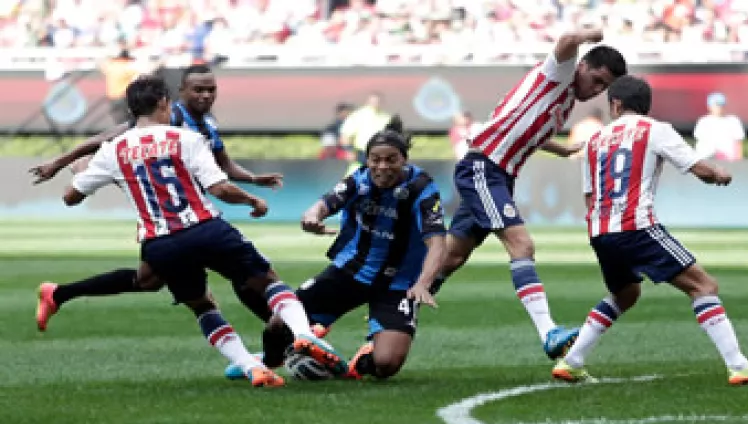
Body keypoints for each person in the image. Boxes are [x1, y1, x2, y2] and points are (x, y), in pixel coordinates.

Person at [61, 76, 349, 387]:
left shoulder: (113, 150)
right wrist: (252, 199)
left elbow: (71, 198)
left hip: (160, 243)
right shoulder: (185, 138)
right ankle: (304, 335)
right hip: (205, 228)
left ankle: (251, 367)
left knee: (202, 305)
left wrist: (79, 172)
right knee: (268, 281)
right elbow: (219, 188)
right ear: (163, 103)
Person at [552, 75, 748, 385]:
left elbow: (589, 195)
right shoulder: (654, 130)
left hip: (600, 229)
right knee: (704, 286)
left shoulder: (596, 140)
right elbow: (696, 166)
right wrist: (718, 174)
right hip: (635, 226)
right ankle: (738, 364)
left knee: (625, 293)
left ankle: (572, 361)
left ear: (616, 104)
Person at [31, 65, 283, 332]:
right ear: (180, 92)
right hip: (168, 209)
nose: (206, 95)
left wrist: (254, 179)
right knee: (244, 273)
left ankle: (57, 294)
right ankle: (286, 333)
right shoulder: (166, 118)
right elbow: (107, 138)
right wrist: (61, 162)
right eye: (198, 90)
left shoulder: (207, 124)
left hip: (187, 210)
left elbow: (225, 166)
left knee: (149, 280)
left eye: (211, 89)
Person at [429, 29, 628, 360]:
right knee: (522, 245)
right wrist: (591, 33)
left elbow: (524, 129)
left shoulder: (563, 103)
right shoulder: (560, 73)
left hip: (498, 175)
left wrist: (561, 150)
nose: (595, 91)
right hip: (484, 166)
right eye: (596, 80)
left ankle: (399, 300)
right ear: (582, 66)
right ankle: (548, 331)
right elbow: (566, 40)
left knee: (452, 256)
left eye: (603, 88)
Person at [225, 116, 447, 380]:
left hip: (398, 283)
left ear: (404, 160)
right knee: (278, 324)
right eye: (375, 159)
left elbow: (437, 242)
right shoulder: (360, 179)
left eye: (391, 160)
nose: (382, 167)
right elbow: (326, 202)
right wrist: (312, 217)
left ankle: (364, 359)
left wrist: (423, 283)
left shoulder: (421, 188)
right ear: (367, 160)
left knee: (386, 364)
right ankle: (269, 362)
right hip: (350, 270)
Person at [339, 92, 392, 176]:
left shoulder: (387, 118)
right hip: (361, 155)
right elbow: (345, 136)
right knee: (354, 182)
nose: (375, 103)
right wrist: (349, 151)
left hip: (381, 157)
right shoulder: (357, 115)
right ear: (368, 101)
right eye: (373, 101)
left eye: (377, 101)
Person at [693, 92, 745, 162]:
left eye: (721, 105)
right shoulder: (703, 121)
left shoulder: (733, 121)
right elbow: (699, 142)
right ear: (709, 106)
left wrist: (738, 160)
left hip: (728, 160)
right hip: (706, 159)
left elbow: (738, 143)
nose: (718, 108)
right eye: (715, 105)